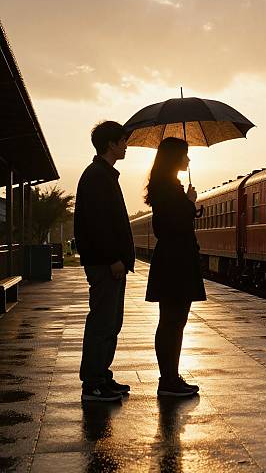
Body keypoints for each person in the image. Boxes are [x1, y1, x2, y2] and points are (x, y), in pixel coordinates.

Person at [74, 121, 135, 402]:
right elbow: (100, 224)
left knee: (111, 322)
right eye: (123, 141)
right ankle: (93, 383)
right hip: (105, 264)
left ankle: (102, 374)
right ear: (110, 144)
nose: (126, 146)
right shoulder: (98, 176)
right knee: (102, 322)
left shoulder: (103, 174)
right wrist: (113, 258)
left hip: (108, 263)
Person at [144, 137, 206, 397]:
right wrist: (189, 204)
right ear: (174, 158)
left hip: (172, 259)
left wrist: (188, 205)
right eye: (185, 155)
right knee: (173, 322)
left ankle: (170, 377)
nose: (188, 160)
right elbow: (169, 226)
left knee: (171, 322)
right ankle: (169, 380)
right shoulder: (168, 188)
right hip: (176, 261)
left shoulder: (165, 186)